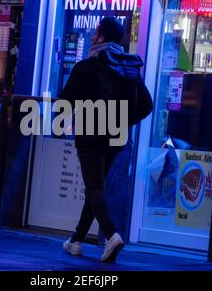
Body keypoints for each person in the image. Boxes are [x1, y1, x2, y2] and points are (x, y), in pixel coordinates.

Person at [59, 17, 151, 262]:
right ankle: (76, 240)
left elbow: (65, 103)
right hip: (115, 137)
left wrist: (68, 118)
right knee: (95, 187)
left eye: (95, 32)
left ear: (101, 37)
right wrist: (123, 121)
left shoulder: (85, 67)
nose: (91, 36)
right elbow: (147, 105)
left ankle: (111, 235)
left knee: (94, 188)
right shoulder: (127, 68)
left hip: (90, 135)